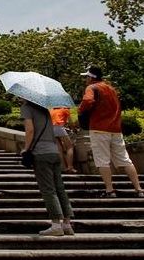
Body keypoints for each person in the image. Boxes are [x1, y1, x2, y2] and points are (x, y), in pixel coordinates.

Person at [78, 66, 144, 198]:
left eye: (86, 76)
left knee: (102, 160)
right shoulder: (111, 88)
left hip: (98, 128)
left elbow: (87, 100)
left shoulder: (92, 87)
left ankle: (109, 190)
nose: (85, 79)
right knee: (125, 160)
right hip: (115, 129)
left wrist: (81, 110)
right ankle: (139, 189)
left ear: (91, 77)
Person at [20, 99, 74, 235]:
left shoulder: (27, 108)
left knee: (48, 189)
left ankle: (56, 224)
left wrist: (26, 148)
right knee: (59, 188)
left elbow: (30, 130)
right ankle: (67, 224)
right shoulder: (44, 109)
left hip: (41, 152)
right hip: (54, 151)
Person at [50, 106, 76, 174]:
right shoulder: (65, 109)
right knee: (69, 147)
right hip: (59, 127)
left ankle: (63, 167)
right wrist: (74, 128)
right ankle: (70, 167)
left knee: (59, 149)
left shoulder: (51, 109)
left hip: (51, 129)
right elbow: (71, 122)